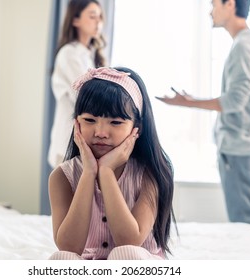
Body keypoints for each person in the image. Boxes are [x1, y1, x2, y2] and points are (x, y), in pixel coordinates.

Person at [156, 0, 250, 227]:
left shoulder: (244, 47)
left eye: (214, 3)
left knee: (246, 223)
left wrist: (188, 103)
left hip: (241, 150)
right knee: (245, 220)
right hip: (245, 148)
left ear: (230, 5)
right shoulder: (246, 43)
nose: (210, 10)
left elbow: (235, 101)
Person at [48, 67, 176, 260]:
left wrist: (106, 172)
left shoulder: (150, 174)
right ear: (77, 124)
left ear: (136, 128)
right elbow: (68, 246)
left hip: (137, 263)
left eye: (115, 122)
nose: (100, 132)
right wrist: (89, 173)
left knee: (126, 254)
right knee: (61, 259)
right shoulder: (62, 176)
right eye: (90, 120)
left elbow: (129, 241)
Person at [48, 0, 107, 169]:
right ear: (75, 20)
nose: (98, 22)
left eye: (100, 17)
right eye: (92, 16)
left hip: (82, 143)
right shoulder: (69, 54)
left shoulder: (89, 55)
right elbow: (88, 95)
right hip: (68, 142)